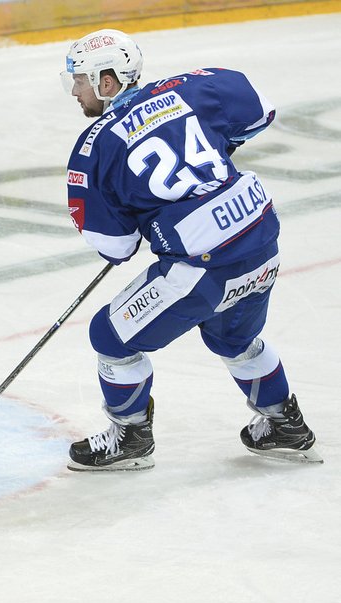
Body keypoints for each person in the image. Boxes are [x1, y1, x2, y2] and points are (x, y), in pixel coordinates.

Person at [60, 28, 321, 471]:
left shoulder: (95, 146)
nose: (75, 91)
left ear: (107, 83)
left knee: (110, 336)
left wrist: (142, 215)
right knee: (234, 337)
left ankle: (130, 438)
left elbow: (116, 247)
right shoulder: (193, 87)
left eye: (80, 80)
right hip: (260, 242)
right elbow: (260, 110)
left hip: (201, 268)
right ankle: (284, 424)